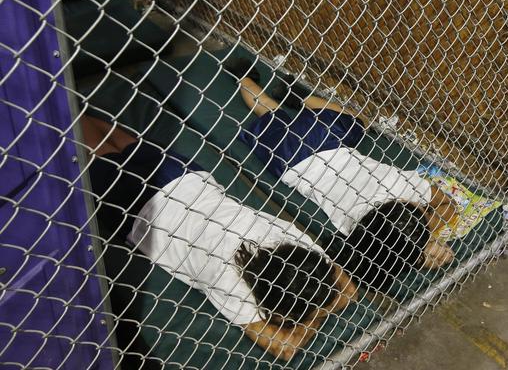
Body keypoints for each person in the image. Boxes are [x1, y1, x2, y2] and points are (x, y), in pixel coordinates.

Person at [80, 114, 357, 361]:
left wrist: (320, 306)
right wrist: (317, 315)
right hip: (142, 210)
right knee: (92, 146)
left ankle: (73, 108)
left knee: (112, 139)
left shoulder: (293, 242)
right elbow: (285, 347)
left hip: (186, 178)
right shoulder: (234, 285)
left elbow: (345, 289)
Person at [226, 59, 459, 293]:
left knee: (358, 119)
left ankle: (286, 93)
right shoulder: (355, 229)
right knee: (267, 108)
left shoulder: (400, 185)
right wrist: (418, 250)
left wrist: (421, 240)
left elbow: (444, 206)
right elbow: (446, 207)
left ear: (402, 202)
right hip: (293, 164)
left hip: (326, 141)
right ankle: (244, 78)